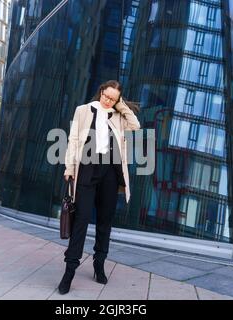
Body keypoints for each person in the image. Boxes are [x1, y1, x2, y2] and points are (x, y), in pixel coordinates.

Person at [58, 80, 141, 294]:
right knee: (81, 221)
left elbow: (136, 126)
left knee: (105, 222)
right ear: (101, 91)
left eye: (113, 98)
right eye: (106, 95)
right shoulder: (84, 110)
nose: (108, 100)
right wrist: (69, 168)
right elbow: (74, 139)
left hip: (110, 174)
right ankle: (69, 272)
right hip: (86, 169)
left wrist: (121, 105)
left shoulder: (118, 115)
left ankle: (99, 264)